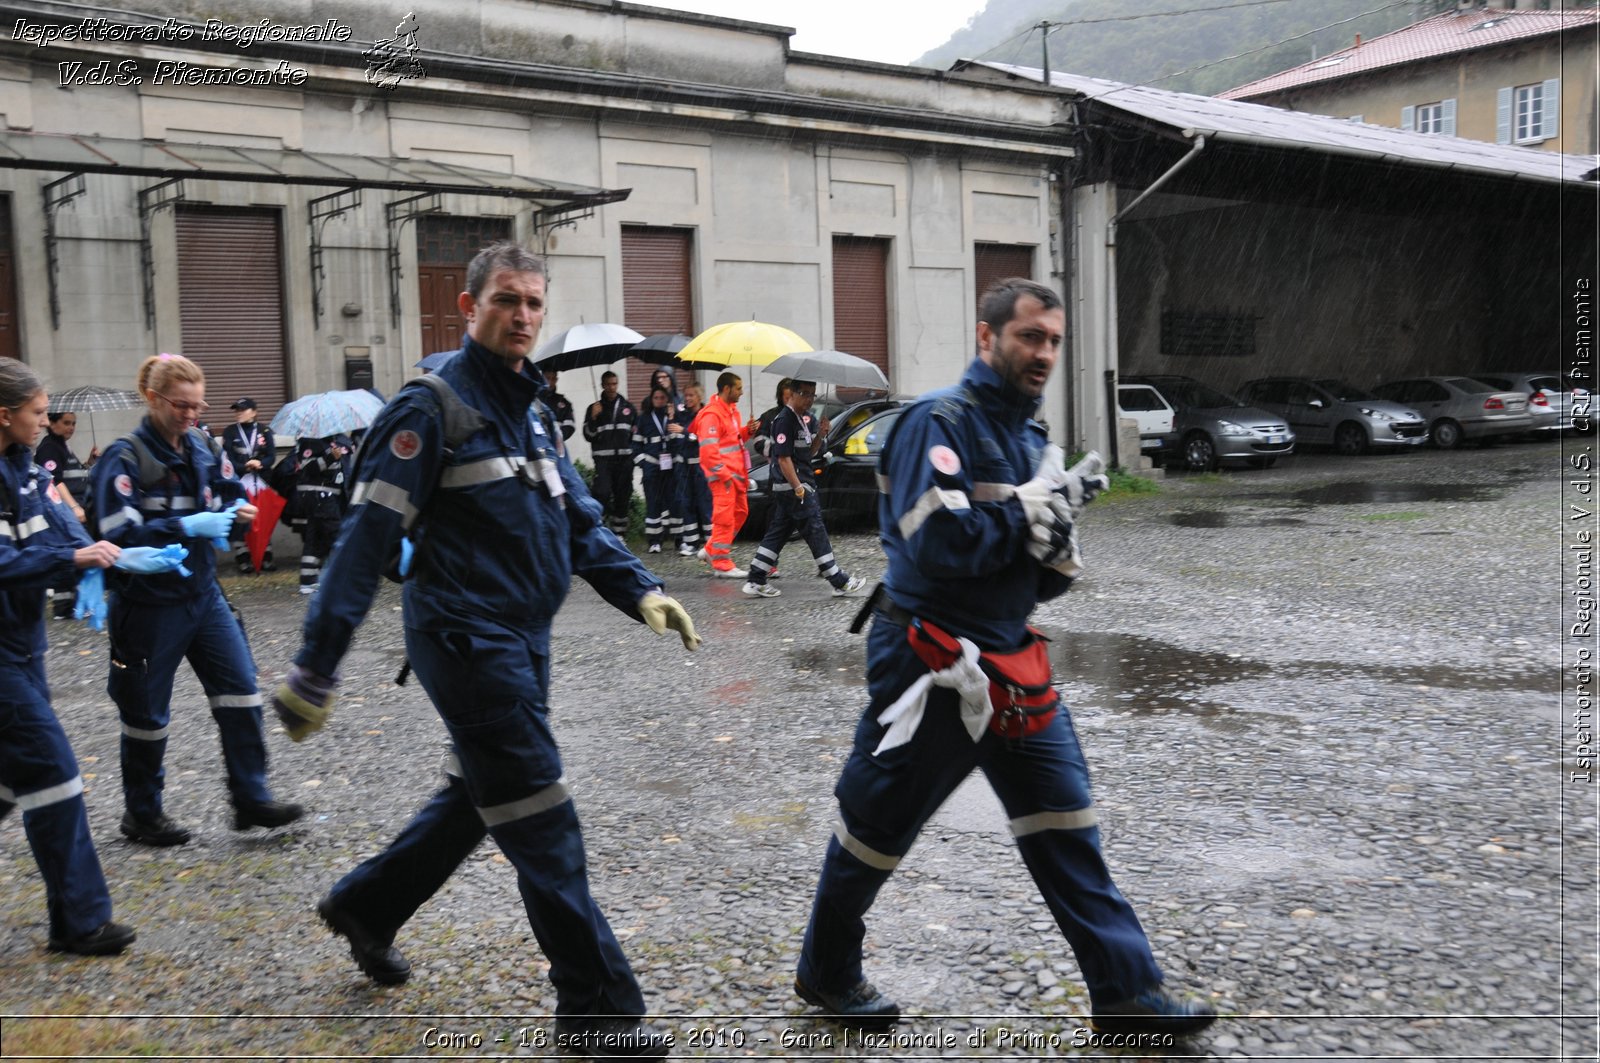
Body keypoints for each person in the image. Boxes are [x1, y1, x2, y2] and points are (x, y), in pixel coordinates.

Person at [272, 243, 699, 1060]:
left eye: (535, 302)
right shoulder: (431, 408)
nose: (525, 316)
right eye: (508, 300)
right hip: (466, 641)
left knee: (482, 797)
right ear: (471, 308)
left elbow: (576, 517)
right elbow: (363, 544)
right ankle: (598, 1012)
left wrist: (639, 587)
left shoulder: (532, 407)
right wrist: (314, 667)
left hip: (522, 638)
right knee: (542, 819)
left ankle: (366, 904)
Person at [794, 278, 1217, 1039]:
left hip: (1010, 658)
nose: (1044, 353)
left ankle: (1125, 992)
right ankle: (826, 968)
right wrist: (1023, 517)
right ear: (987, 337)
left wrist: (1056, 556)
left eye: (1053, 340)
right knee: (877, 825)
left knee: (1065, 817)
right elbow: (935, 543)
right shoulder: (934, 422)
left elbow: (1030, 575)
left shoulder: (1031, 440)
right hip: (930, 659)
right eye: (1029, 337)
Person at [89, 353, 303, 848]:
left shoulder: (204, 444)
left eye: (197, 404)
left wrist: (238, 507)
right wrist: (183, 527)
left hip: (202, 595)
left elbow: (226, 487)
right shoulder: (124, 459)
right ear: (153, 398)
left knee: (242, 692)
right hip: (148, 604)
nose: (190, 413)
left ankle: (250, 797)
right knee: (145, 715)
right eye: (180, 405)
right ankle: (142, 814)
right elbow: (113, 534)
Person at [0, 357, 136, 956]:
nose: (46, 420)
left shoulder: (23, 468)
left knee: (13, 778)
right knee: (53, 773)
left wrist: (101, 555)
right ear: (4, 416)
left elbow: (61, 525)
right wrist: (72, 563)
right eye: (36, 413)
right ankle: (80, 921)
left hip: (23, 648)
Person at [741, 378, 866, 600]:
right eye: (806, 394)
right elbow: (783, 458)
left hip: (798, 485)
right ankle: (839, 581)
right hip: (794, 488)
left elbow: (807, 454)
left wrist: (821, 435)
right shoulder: (784, 420)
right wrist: (798, 488)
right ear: (793, 395)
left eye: (812, 394)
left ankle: (756, 578)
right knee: (815, 529)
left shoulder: (801, 420)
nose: (810, 399)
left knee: (778, 532)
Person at [690, 372, 754, 578]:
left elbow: (732, 440)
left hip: (735, 475)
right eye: (738, 388)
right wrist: (724, 475)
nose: (742, 392)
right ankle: (721, 562)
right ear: (727, 389)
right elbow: (708, 452)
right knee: (724, 518)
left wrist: (747, 431)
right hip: (724, 477)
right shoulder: (712, 414)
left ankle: (711, 550)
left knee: (740, 513)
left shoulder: (731, 411)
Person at [34, 410, 95, 618]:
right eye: (66, 423)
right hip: (63, 514)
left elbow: (71, 476)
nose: (71, 427)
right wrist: (73, 508)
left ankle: (74, 604)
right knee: (70, 554)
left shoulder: (61, 445)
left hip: (67, 512)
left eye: (74, 423)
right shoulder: (50, 447)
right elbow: (55, 481)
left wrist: (89, 462)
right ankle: (66, 607)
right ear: (52, 423)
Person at [288, 434, 352, 595]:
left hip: (327, 496)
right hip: (319, 497)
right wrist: (330, 457)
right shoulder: (309, 442)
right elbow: (308, 468)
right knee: (337, 535)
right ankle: (344, 579)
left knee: (315, 537)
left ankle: (308, 581)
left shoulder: (332, 440)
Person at [220, 398, 276, 574]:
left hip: (261, 481)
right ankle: (243, 559)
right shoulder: (230, 431)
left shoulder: (264, 430)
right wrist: (244, 466)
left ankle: (266, 557)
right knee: (241, 518)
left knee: (263, 518)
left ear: (253, 412)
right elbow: (227, 457)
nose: (238, 413)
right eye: (236, 410)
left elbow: (271, 456)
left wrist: (260, 464)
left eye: (242, 410)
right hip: (239, 481)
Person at [582, 370, 635, 538]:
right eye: (608, 384)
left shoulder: (628, 407)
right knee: (602, 493)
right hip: (603, 461)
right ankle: (600, 530)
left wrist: (633, 456)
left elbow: (636, 435)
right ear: (603, 385)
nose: (612, 387)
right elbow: (588, 436)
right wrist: (593, 418)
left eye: (614, 384)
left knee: (622, 496)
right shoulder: (594, 408)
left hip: (624, 460)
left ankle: (619, 535)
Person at [632, 387, 680, 555]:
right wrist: (643, 463)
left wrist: (674, 418)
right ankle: (654, 541)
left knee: (674, 502)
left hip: (671, 467)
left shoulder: (673, 417)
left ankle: (678, 539)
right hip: (652, 467)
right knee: (653, 504)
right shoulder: (643, 419)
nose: (659, 400)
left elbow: (680, 440)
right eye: (656, 397)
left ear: (667, 400)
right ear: (651, 399)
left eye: (662, 397)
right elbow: (635, 445)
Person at [673, 382, 712, 558]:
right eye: (685, 395)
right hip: (683, 467)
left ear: (699, 397)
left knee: (704, 503)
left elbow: (704, 437)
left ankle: (711, 542)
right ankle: (691, 542)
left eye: (691, 395)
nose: (687, 399)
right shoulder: (680, 415)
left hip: (701, 466)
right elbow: (675, 437)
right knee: (685, 502)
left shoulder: (706, 414)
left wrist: (684, 432)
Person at [749, 377, 792, 464]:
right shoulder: (768, 416)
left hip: (801, 470)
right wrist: (780, 451)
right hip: (776, 468)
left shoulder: (804, 416)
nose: (790, 401)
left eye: (793, 397)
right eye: (787, 398)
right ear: (780, 397)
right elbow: (758, 443)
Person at [541, 368, 576, 441]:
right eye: (547, 378)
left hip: (556, 447)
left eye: (553, 379)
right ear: (542, 378)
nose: (550, 382)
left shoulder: (564, 403)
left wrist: (556, 440)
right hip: (536, 447)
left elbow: (570, 426)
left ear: (556, 380)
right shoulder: (533, 400)